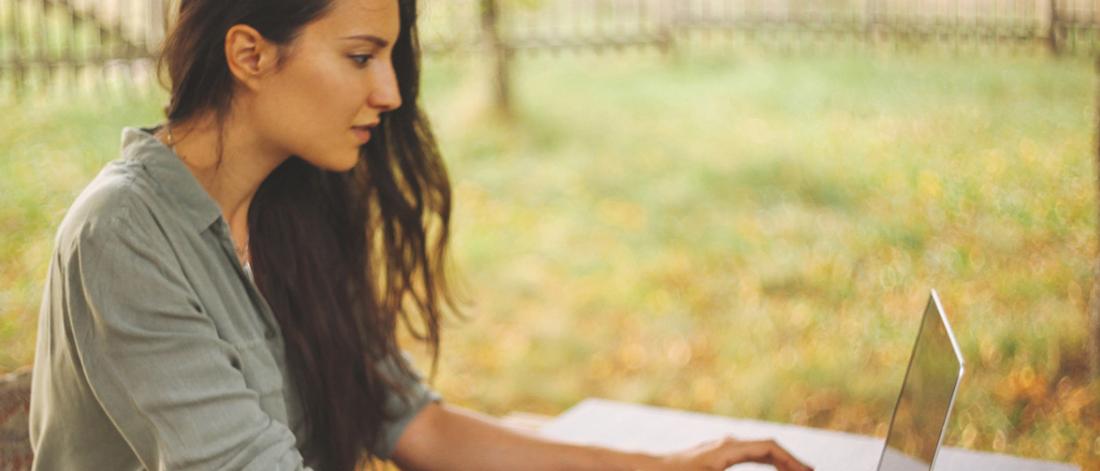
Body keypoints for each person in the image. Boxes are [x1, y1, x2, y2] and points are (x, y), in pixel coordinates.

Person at [27, 0, 814, 469]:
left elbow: (416, 422)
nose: (392, 91)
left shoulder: (289, 206)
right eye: (361, 56)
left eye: (392, 56)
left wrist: (669, 468)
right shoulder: (123, 237)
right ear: (250, 54)